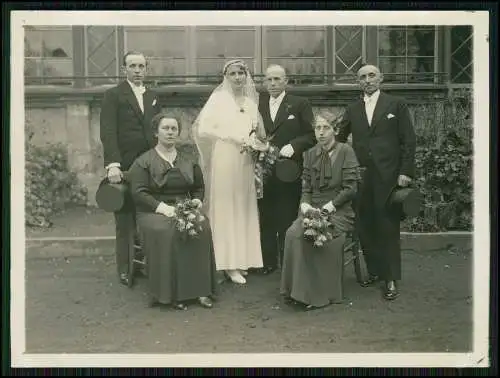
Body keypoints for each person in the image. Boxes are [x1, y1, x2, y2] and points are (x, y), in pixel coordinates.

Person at [337, 64, 416, 300]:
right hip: (361, 175)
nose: (368, 80)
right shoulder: (353, 108)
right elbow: (340, 138)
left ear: (380, 78)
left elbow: (408, 140)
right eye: (362, 77)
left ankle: (390, 278)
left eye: (372, 75)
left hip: (389, 175)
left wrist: (406, 171)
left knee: (387, 225)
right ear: (358, 82)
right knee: (365, 224)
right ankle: (374, 271)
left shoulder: (396, 104)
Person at [127, 112, 217, 310]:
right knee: (169, 230)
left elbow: (198, 187)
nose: (170, 132)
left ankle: (201, 290)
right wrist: (162, 208)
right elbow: (138, 192)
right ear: (156, 133)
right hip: (152, 212)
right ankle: (172, 293)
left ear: (178, 133)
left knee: (201, 226)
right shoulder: (143, 161)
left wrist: (195, 201)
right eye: (165, 128)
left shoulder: (188, 159)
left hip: (183, 207)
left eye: (173, 129)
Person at [192, 59, 264, 285]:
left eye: (241, 73)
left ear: (246, 75)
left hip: (245, 159)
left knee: (243, 205)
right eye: (232, 73)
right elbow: (203, 129)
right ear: (226, 77)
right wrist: (230, 136)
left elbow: (256, 130)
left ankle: (242, 260)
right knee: (226, 206)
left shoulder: (251, 103)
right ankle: (227, 263)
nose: (237, 77)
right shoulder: (218, 99)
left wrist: (253, 143)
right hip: (225, 155)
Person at [280, 111, 360, 310]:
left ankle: (317, 294)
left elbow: (351, 188)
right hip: (312, 208)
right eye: (318, 128)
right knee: (293, 234)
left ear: (335, 130)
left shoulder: (346, 152)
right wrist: (305, 205)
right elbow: (306, 188)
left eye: (326, 128)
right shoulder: (309, 154)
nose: (321, 133)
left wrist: (331, 206)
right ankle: (296, 291)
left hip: (338, 211)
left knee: (318, 236)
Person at [99, 51, 162, 286]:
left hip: (150, 165)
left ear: (146, 69)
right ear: (124, 69)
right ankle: (126, 269)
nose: (137, 70)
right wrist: (113, 165)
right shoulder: (113, 95)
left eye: (141, 66)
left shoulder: (153, 96)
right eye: (132, 66)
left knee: (148, 215)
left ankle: (146, 264)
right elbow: (108, 131)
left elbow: (158, 129)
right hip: (124, 166)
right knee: (125, 219)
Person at [257, 64, 316, 274]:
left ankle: (287, 262)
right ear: (264, 82)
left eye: (277, 79)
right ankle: (268, 262)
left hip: (288, 170)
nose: (273, 83)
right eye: (269, 80)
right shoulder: (257, 103)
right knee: (264, 216)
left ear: (286, 81)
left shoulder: (299, 104)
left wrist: (294, 145)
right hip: (261, 171)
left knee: (286, 215)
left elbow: (312, 135)